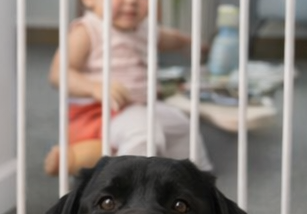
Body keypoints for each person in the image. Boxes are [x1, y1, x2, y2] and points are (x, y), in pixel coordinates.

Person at [44, 0, 213, 176]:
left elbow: (171, 39)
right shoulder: (87, 30)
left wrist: (191, 42)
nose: (131, 2)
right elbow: (58, 73)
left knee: (181, 124)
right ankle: (127, 186)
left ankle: (194, 178)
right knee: (144, 133)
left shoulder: (146, 29)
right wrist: (94, 87)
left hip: (141, 106)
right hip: (100, 112)